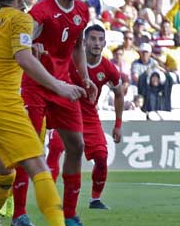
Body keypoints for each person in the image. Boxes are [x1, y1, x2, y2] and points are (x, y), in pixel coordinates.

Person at [0, 0, 99, 226]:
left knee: (3, 170)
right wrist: (59, 85)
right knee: (38, 166)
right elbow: (23, 58)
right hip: (4, 105)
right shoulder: (20, 19)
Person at [47, 26, 123, 211]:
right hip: (65, 111)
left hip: (89, 116)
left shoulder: (109, 68)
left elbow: (119, 94)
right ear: (84, 42)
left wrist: (118, 125)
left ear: (105, 43)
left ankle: (95, 200)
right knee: (56, 149)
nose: (97, 43)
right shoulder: (71, 59)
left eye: (100, 40)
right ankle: (49, 197)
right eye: (93, 39)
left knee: (101, 157)